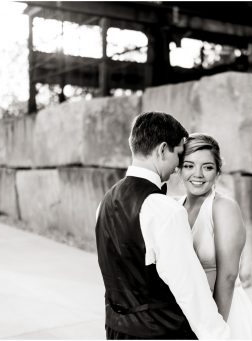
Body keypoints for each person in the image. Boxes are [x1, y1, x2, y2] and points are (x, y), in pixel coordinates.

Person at [95, 112, 230, 339]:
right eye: (179, 155)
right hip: (160, 332)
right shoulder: (164, 209)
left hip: (116, 331)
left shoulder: (105, 201)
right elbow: (189, 289)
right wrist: (219, 335)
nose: (178, 166)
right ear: (162, 149)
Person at [179, 133, 252, 339]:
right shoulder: (176, 207)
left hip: (222, 313)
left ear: (218, 171)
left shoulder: (223, 208)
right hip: (186, 313)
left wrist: (213, 330)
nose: (198, 174)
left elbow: (227, 277)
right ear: (179, 169)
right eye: (189, 165)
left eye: (208, 167)